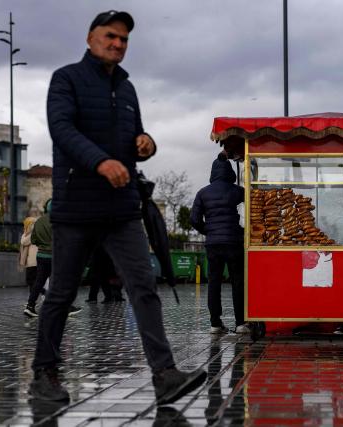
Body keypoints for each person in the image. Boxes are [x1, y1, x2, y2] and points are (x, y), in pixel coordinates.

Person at [29, 10, 206, 403]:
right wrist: (99, 162)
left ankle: (165, 376)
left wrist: (147, 143)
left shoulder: (127, 89)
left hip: (122, 210)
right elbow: (62, 130)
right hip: (76, 208)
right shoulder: (66, 79)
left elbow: (135, 139)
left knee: (144, 287)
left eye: (124, 39)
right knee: (61, 292)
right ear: (91, 37)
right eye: (111, 36)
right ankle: (44, 374)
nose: (118, 44)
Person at [190, 152, 248, 334]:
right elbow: (253, 203)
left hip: (213, 244)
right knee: (238, 281)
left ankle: (215, 323)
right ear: (229, 172)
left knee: (214, 282)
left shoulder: (203, 192)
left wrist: (208, 230)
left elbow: (194, 219)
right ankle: (241, 323)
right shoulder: (237, 191)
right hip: (234, 242)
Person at [24, 200, 82, 318]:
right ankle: (66, 308)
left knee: (39, 282)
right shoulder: (59, 221)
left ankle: (30, 306)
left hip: (41, 256)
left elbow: (33, 240)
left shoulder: (39, 221)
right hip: (55, 256)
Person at [19, 217, 39, 293]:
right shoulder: (26, 234)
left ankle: (42, 294)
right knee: (30, 282)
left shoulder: (34, 234)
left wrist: (32, 232)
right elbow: (23, 242)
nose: (34, 225)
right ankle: (32, 300)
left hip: (35, 262)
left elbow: (24, 242)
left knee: (33, 281)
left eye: (34, 224)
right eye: (32, 224)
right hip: (30, 262)